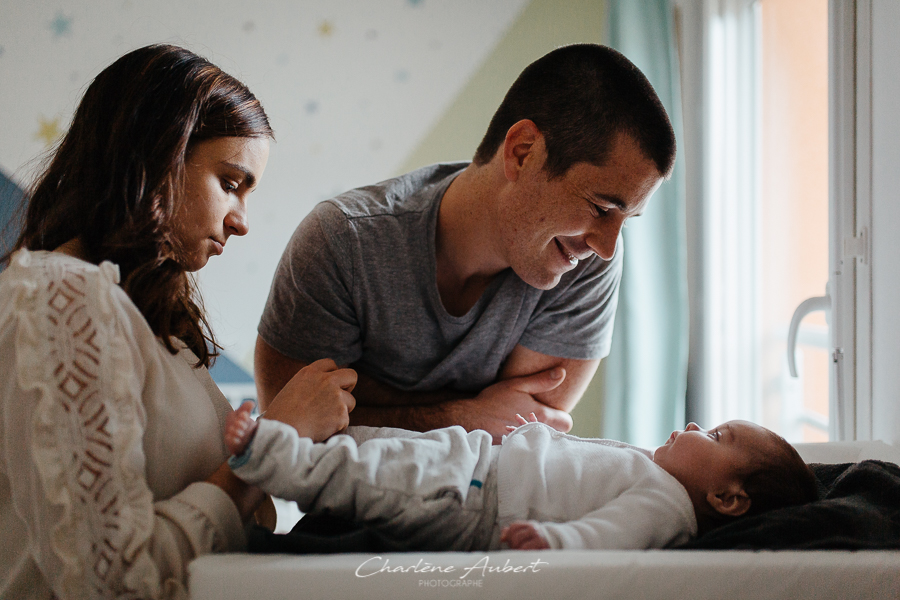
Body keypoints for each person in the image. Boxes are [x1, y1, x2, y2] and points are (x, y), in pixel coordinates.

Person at [0, 44, 356, 599]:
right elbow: (114, 583)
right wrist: (269, 443)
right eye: (231, 182)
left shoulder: (148, 325)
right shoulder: (60, 294)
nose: (241, 223)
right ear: (156, 155)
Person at [254, 43, 675, 442]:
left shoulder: (585, 261)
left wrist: (373, 403)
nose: (606, 246)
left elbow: (515, 444)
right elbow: (290, 431)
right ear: (523, 151)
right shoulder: (343, 243)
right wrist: (462, 417)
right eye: (602, 208)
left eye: (626, 220)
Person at [224, 405, 818, 551]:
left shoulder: (666, 508)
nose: (694, 425)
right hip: (479, 463)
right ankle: (290, 460)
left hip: (475, 498)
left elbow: (608, 535)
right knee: (375, 448)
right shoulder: (653, 471)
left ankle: (270, 458)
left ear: (726, 497)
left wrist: (555, 540)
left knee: (369, 474)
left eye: (714, 437)